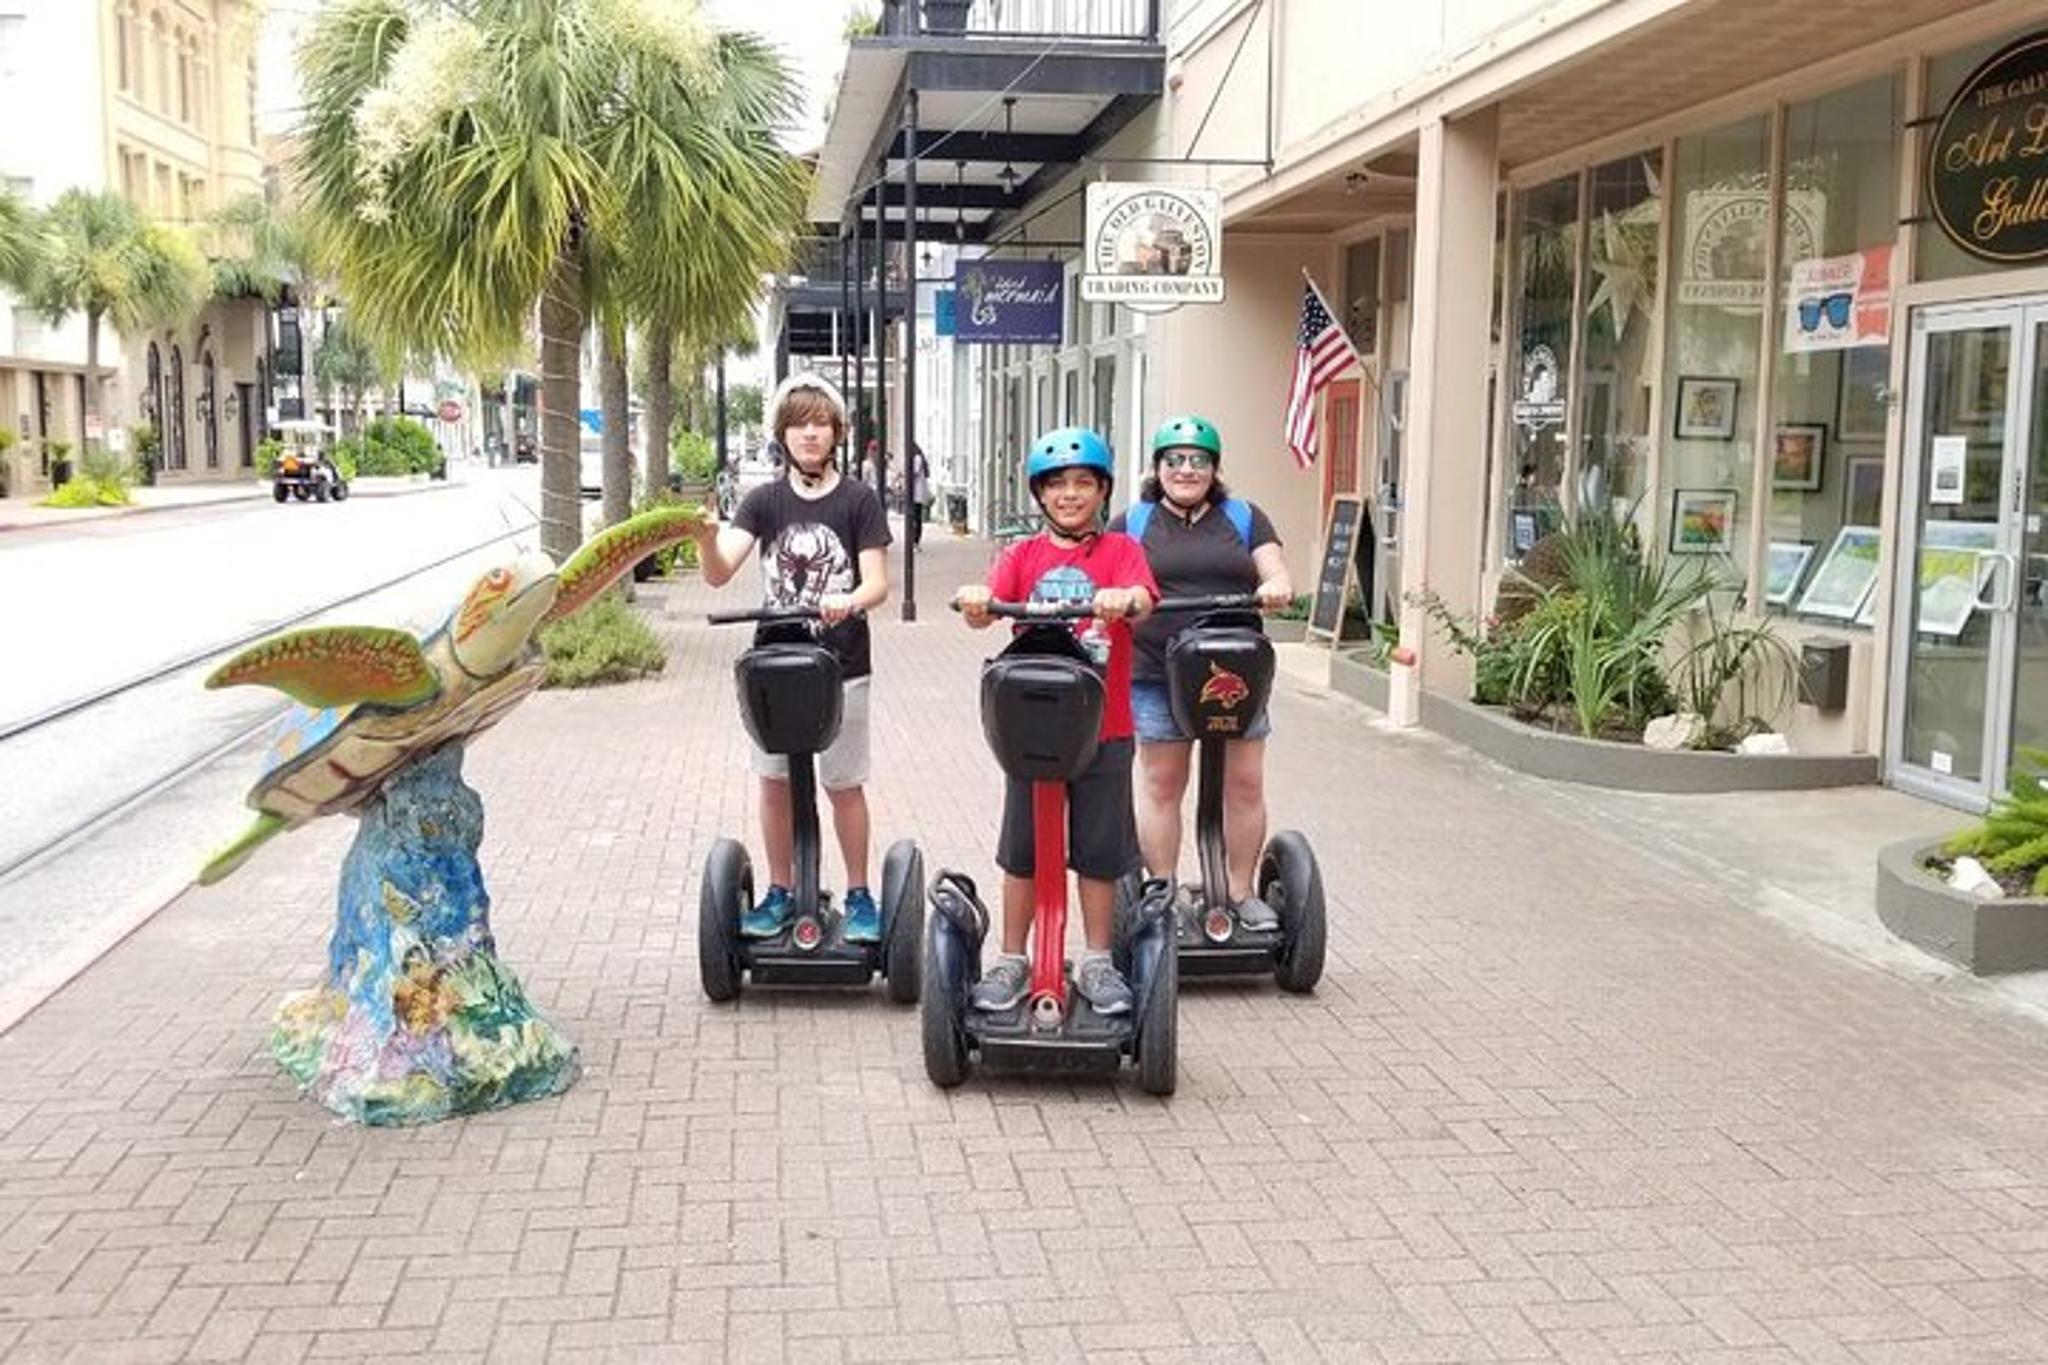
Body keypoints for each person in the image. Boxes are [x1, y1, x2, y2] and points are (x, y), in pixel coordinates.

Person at [954, 427, 1157, 1015]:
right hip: (1033, 733)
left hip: (1104, 728)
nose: (1070, 494)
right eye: (1058, 485)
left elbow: (1144, 597)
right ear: (1040, 494)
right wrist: (975, 598)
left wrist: (1126, 601)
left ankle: (1095, 961)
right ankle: (1013, 959)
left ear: (1102, 491)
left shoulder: (1121, 552)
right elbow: (985, 608)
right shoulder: (1021, 556)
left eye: (1083, 484)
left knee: (1098, 850)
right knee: (1022, 849)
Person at [690, 373, 893, 943]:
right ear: (782, 433)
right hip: (775, 668)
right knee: (774, 782)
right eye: (800, 423)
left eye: (821, 423)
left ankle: (858, 894)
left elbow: (877, 581)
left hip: (842, 664)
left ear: (836, 433)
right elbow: (719, 572)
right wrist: (706, 539)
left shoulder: (858, 499)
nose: (810, 433)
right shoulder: (764, 501)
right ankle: (780, 891)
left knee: (843, 783)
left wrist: (847, 600)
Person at [1108, 415, 1293, 930]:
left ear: (1214, 468)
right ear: (1157, 467)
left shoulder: (1244, 516)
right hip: (1155, 671)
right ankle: (1162, 892)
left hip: (1236, 670)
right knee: (1163, 782)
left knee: (1245, 782)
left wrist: (1276, 585)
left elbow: (1274, 567)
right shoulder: (1134, 522)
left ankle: (1238, 891)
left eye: (1198, 461)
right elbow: (1112, 576)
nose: (1186, 470)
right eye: (1175, 460)